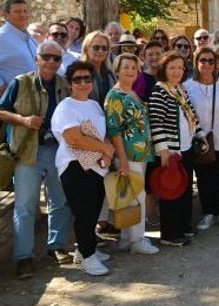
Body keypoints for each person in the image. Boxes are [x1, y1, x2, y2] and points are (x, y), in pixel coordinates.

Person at [0, 40, 72, 279]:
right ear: (36, 59)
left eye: (56, 58)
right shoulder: (20, 83)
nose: (51, 62)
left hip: (58, 151)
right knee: (25, 206)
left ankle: (57, 246)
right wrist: (23, 120)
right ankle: (24, 258)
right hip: (28, 152)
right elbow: (1, 111)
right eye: (46, 57)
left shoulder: (64, 84)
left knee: (60, 201)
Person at [52, 61, 115, 275]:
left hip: (96, 167)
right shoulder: (65, 108)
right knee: (84, 213)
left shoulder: (94, 105)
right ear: (70, 83)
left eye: (87, 78)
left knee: (93, 210)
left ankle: (85, 251)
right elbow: (74, 138)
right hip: (74, 167)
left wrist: (106, 153)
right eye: (77, 79)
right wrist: (106, 149)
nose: (82, 83)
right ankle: (88, 258)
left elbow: (101, 133)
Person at [104, 53, 159, 255]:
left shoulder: (131, 93)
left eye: (134, 67)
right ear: (117, 70)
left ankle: (127, 238)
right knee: (137, 195)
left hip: (140, 152)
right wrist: (123, 160)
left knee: (130, 195)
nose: (130, 71)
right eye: (125, 67)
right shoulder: (115, 96)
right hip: (128, 154)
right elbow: (114, 130)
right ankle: (137, 239)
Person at [148, 51, 204, 247]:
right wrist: (163, 150)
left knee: (184, 188)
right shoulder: (160, 91)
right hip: (170, 151)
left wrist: (200, 135)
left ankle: (184, 226)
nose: (177, 71)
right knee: (170, 191)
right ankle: (170, 234)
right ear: (164, 69)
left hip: (186, 147)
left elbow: (191, 114)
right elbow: (156, 122)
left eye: (180, 68)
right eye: (172, 68)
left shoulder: (180, 89)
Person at [185, 47, 219, 231]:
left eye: (210, 61)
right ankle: (208, 212)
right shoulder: (188, 86)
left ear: (215, 64)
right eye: (203, 60)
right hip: (199, 140)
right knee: (203, 177)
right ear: (196, 62)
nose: (206, 64)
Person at [0, 0, 38, 96]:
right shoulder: (1, 37)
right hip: (12, 99)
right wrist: (2, 88)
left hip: (33, 96)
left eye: (25, 11)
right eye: (17, 11)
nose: (23, 15)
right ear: (6, 15)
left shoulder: (29, 37)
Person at [81, 31, 116, 106]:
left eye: (104, 48)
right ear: (86, 49)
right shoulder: (79, 73)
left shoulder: (110, 74)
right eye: (96, 48)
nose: (100, 51)